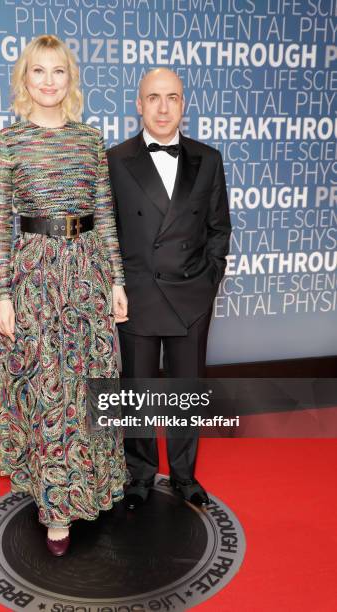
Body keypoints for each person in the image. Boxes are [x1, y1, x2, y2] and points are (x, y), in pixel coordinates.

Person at [0, 34, 128, 556]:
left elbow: (107, 215)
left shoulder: (90, 140)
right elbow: (0, 222)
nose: (48, 81)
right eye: (38, 71)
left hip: (88, 271)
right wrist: (1, 294)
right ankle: (56, 508)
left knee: (90, 381)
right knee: (47, 385)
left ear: (72, 79)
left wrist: (116, 280)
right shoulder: (8, 142)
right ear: (25, 79)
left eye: (58, 71)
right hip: (34, 276)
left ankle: (92, 485)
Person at [107, 68, 231, 510]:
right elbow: (107, 232)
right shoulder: (115, 160)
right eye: (153, 98)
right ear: (138, 105)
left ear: (184, 104)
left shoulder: (208, 159)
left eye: (172, 98)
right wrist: (116, 286)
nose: (163, 107)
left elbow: (219, 229)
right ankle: (139, 475)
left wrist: (208, 282)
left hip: (190, 298)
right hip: (136, 297)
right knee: (136, 392)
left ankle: (183, 476)